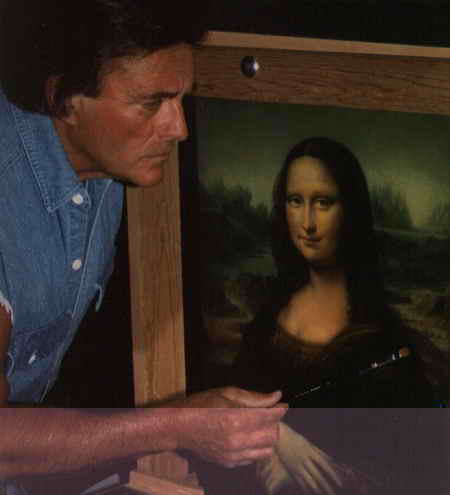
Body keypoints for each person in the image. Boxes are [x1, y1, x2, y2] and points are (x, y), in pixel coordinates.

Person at [0, 1, 287, 492]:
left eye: (181, 99)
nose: (179, 128)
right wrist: (175, 426)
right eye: (152, 103)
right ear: (65, 98)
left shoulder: (104, 158)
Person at [233, 136, 448, 406]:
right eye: (295, 201)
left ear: (351, 210)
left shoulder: (383, 339)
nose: (307, 223)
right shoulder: (269, 314)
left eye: (323, 202)